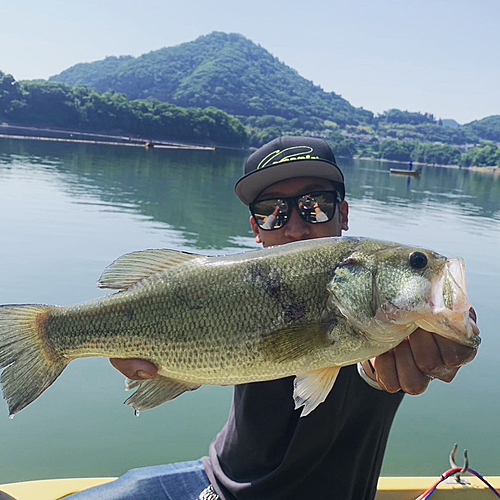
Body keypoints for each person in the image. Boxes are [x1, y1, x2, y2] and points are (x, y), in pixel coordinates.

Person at [71, 136, 478, 500]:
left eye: (314, 206)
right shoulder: (232, 283)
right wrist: (167, 368)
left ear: (344, 214)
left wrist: (426, 351)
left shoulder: (389, 326)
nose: (295, 227)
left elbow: (371, 368)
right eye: (271, 212)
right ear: (255, 229)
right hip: (216, 482)